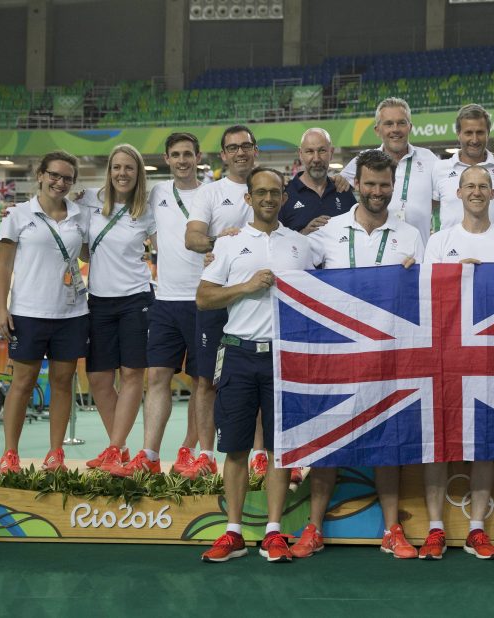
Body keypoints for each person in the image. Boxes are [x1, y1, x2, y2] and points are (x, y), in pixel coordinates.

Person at [291, 150, 425, 561]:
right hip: (340, 358)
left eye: (384, 185)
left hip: (390, 358)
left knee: (388, 443)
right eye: (369, 184)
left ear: (392, 185)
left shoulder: (410, 236)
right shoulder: (328, 232)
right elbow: (286, 265)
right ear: (358, 185)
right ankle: (313, 527)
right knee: (328, 442)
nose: (377, 192)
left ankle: (391, 529)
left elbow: (428, 294)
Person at [198, 167, 319, 563]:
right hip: (238, 353)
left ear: (285, 197)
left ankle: (273, 532)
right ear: (248, 198)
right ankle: (232, 532)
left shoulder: (301, 247)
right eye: (261, 192)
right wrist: (244, 287)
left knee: (281, 449)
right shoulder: (231, 244)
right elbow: (203, 298)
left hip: (285, 358)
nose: (269, 198)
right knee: (235, 449)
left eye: (275, 192)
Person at [421, 165, 494, 560]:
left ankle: (477, 528)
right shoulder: (439, 241)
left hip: (490, 355)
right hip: (445, 353)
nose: (477, 192)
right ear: (457, 193)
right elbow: (425, 296)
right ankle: (434, 528)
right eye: (470, 187)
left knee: (482, 442)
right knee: (439, 441)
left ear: (493, 194)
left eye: (484, 187)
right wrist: (453, 275)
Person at [104, 133, 205, 476]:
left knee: (202, 381)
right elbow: (115, 195)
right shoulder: (158, 193)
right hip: (164, 299)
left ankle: (188, 451)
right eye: (175, 154)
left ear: (198, 156)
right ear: (166, 158)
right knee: (156, 376)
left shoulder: (213, 194)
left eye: (187, 154)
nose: (182, 160)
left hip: (203, 299)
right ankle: (149, 455)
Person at [0, 151, 89, 473]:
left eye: (67, 178)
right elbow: (4, 265)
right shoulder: (17, 215)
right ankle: (10, 453)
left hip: (72, 313)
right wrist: (1, 308)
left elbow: (92, 250)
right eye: (54, 175)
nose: (59, 182)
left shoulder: (81, 215)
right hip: (28, 312)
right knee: (22, 383)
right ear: (40, 174)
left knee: (63, 383)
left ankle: (55, 454)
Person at [177, 125, 260, 478]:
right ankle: (207, 454)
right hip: (217, 296)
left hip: (258, 299)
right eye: (232, 148)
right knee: (206, 380)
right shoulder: (210, 193)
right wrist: (217, 241)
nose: (240, 152)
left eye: (246, 146)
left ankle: (260, 453)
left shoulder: (269, 186)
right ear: (223, 155)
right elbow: (191, 237)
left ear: (255, 150)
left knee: (261, 378)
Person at [75, 144, 157, 476]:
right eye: (116, 167)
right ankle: (118, 448)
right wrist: (13, 209)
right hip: (98, 300)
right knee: (98, 378)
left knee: (133, 374)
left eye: (129, 168)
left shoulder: (148, 211)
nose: (122, 174)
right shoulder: (88, 201)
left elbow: (173, 244)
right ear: (109, 171)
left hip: (136, 299)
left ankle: (114, 448)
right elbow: (81, 249)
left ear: (138, 174)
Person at [340, 98, 440, 243]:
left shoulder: (429, 159)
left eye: (401, 123)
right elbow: (338, 184)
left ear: (410, 127)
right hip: (377, 255)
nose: (395, 129)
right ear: (377, 130)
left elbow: (444, 195)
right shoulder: (363, 159)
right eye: (388, 124)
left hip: (418, 255)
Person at [432, 103, 494, 232]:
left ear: (488, 133)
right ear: (458, 134)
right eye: (469, 133)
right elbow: (428, 207)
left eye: (480, 133)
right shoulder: (439, 168)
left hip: (493, 248)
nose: (474, 140)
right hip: (451, 250)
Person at [279, 128, 356, 236]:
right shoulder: (284, 194)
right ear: (300, 154)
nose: (316, 159)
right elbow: (274, 242)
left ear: (331, 153)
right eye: (310, 151)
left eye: (322, 150)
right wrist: (303, 235)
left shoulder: (343, 190)